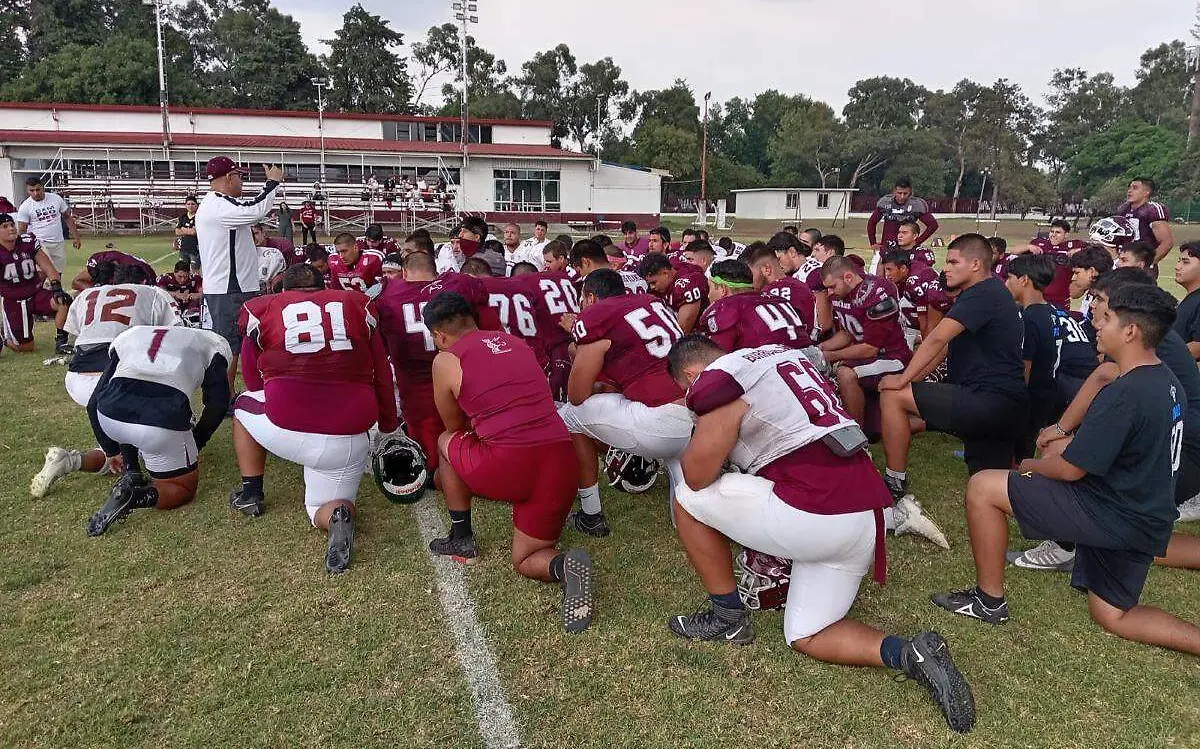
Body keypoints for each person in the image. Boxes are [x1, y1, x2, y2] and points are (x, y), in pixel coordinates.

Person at [665, 336, 976, 734]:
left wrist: (697, 420)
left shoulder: (722, 379)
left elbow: (696, 473)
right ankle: (910, 653)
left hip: (816, 511)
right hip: (866, 517)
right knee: (807, 633)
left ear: (692, 374)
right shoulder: (779, 355)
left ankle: (727, 617)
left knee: (688, 496)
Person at [932, 284, 1200, 659]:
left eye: (1106, 318)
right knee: (1113, 615)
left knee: (983, 486)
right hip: (1143, 517)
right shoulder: (1166, 380)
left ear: (1130, 331)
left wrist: (1029, 465)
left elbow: (1071, 471)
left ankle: (988, 601)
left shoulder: (1128, 392)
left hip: (1112, 513)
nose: (1096, 324)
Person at [421, 292, 595, 633]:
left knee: (446, 442)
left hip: (508, 464)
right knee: (529, 556)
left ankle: (461, 537)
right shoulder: (514, 342)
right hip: (560, 461)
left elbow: (454, 427)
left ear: (439, 336)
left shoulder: (445, 359)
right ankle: (564, 566)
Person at [231, 264, 398, 573]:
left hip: (290, 426)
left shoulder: (262, 309)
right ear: (325, 287)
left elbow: (254, 382)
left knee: (242, 403)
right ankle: (338, 516)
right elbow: (382, 375)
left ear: (283, 292)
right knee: (321, 507)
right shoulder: (357, 305)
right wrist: (388, 425)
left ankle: (251, 492)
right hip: (350, 436)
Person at [878, 234, 1028, 499]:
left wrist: (902, 381)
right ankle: (1058, 536)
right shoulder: (989, 292)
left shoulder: (982, 293)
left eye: (953, 262)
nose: (945, 268)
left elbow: (936, 338)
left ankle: (894, 482)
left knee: (892, 396)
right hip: (1005, 404)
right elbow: (944, 348)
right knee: (990, 489)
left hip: (986, 400)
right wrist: (913, 379)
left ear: (976, 265)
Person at [558, 269, 694, 536]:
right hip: (698, 414)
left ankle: (591, 514)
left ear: (590, 297)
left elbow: (576, 395)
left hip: (662, 422)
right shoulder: (652, 302)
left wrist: (576, 338)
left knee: (569, 415)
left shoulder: (596, 314)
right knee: (688, 516)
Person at [31, 263, 183, 498]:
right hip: (114, 378)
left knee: (120, 442)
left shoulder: (88, 295)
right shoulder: (152, 293)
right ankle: (123, 464)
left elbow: (74, 330)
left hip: (77, 379)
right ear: (144, 282)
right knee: (146, 442)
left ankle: (69, 460)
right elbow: (175, 334)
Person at [84, 325, 231, 536]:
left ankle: (132, 470)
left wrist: (110, 450)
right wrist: (197, 440)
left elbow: (92, 403)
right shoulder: (212, 345)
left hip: (108, 415)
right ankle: (135, 496)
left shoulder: (132, 335)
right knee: (182, 489)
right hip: (160, 421)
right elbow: (218, 404)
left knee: (130, 399)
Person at [195, 157, 284, 393]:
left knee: (236, 343)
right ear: (228, 177)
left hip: (230, 286)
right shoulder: (219, 206)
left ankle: (227, 393)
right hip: (230, 287)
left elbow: (250, 208)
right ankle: (224, 396)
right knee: (230, 345)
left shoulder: (218, 204)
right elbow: (255, 210)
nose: (242, 182)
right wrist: (272, 184)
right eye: (240, 176)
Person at [1003, 254, 1098, 463]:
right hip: (1049, 390)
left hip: (1034, 394)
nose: (1006, 283)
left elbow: (1025, 366)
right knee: (1026, 442)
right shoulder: (1051, 312)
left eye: (1009, 277)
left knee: (1018, 448)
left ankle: (1016, 479)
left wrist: (1013, 397)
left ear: (1024, 280)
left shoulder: (1029, 318)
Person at [819, 257, 911, 428]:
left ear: (848, 277)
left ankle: (857, 436)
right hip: (870, 357)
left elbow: (870, 348)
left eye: (832, 287)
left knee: (845, 373)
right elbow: (848, 332)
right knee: (876, 425)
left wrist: (829, 356)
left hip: (892, 356)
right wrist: (820, 348)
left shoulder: (877, 292)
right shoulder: (842, 292)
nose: (830, 293)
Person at [376, 251, 442, 468]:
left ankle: (431, 465)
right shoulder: (452, 286)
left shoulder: (388, 295)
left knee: (422, 425)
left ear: (404, 272)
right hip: (450, 366)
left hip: (413, 375)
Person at [0, 213, 72, 354]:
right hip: (14, 302)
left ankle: (61, 343)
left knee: (63, 300)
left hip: (35, 293)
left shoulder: (28, 241)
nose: (11, 228)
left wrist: (56, 288)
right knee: (27, 348)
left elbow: (48, 267)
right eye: (5, 226)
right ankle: (4, 338)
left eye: (12, 225)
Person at [699, 260, 810, 350]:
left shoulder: (726, 307)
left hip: (772, 371)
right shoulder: (780, 300)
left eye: (711, 288)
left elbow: (716, 362)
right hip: (809, 364)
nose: (709, 295)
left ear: (723, 289)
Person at [745, 242, 818, 339]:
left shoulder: (766, 294)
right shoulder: (801, 286)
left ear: (767, 269)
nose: (748, 279)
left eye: (750, 274)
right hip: (808, 347)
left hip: (782, 350)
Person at [879, 250, 949, 349]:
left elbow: (924, 320)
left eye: (889, 269)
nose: (887, 274)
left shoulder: (914, 282)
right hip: (932, 299)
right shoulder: (910, 268)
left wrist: (926, 350)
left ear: (903, 268)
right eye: (886, 270)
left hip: (940, 304)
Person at [867, 178, 938, 272]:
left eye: (905, 193)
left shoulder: (916, 205)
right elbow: (872, 222)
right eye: (899, 193)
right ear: (894, 191)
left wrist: (917, 241)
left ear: (910, 193)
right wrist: (873, 242)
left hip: (908, 249)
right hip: (888, 247)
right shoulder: (885, 203)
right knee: (882, 275)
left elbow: (933, 225)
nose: (902, 196)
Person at [16, 175, 80, 273]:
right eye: (31, 190)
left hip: (58, 241)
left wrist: (76, 237)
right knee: (45, 271)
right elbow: (22, 230)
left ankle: (57, 288)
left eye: (38, 189)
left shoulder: (56, 199)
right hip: (40, 242)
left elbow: (67, 217)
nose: (35, 193)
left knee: (58, 271)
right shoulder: (25, 206)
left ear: (43, 187)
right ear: (27, 190)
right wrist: (22, 248)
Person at [638, 252, 709, 334]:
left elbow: (682, 331)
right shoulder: (662, 283)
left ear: (665, 273)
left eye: (654, 282)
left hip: (698, 338)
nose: (652, 287)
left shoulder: (687, 284)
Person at [1115, 178, 1174, 266]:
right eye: (1129, 188)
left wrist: (1149, 263)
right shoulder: (1122, 209)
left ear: (1146, 192)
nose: (1129, 191)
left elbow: (1167, 242)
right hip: (1124, 261)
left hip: (1141, 262)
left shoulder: (1152, 210)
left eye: (1135, 188)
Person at [1028, 219, 1083, 308]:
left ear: (1066, 234)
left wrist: (1079, 250)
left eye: (1058, 232)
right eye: (1052, 231)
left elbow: (1097, 251)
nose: (1053, 234)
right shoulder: (1040, 243)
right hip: (1039, 297)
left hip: (1060, 298)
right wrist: (1028, 246)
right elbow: (1014, 251)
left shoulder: (1074, 245)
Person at [570, 239, 647, 295]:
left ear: (585, 262)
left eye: (580, 271)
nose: (582, 275)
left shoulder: (596, 283)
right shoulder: (637, 277)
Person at [72, 245, 156, 291]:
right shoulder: (98, 261)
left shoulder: (139, 272)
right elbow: (76, 282)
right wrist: (95, 291)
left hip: (143, 285)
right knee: (78, 295)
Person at [326, 232, 384, 297]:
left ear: (355, 247)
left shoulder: (374, 258)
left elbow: (382, 286)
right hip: (348, 301)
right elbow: (336, 290)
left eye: (344, 251)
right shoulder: (334, 261)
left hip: (371, 301)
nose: (341, 256)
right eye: (338, 252)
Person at [1070, 245, 1115, 329]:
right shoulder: (1093, 292)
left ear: (1092, 271)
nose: (1073, 278)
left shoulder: (1106, 297)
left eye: (1077, 273)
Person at [1173, 241, 1200, 360]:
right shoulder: (1192, 299)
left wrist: (1158, 360)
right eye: (1179, 261)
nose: (1177, 266)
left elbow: (1198, 347)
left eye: (1185, 262)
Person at [175, 195, 200, 270]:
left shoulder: (200, 217)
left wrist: (183, 229)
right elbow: (177, 231)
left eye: (192, 204)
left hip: (195, 249)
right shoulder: (183, 217)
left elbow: (195, 232)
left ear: (196, 205)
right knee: (183, 271)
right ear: (185, 205)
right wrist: (189, 230)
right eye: (188, 204)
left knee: (195, 272)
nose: (190, 206)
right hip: (183, 249)